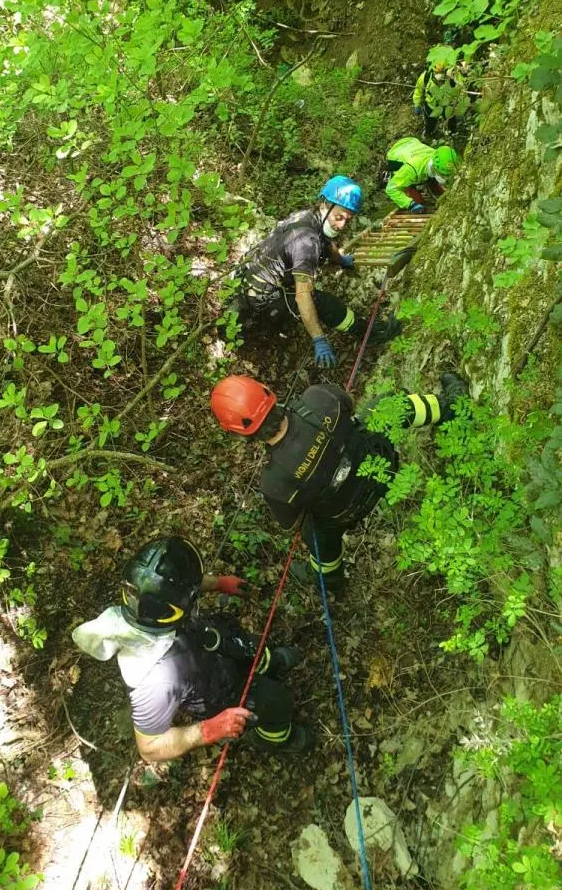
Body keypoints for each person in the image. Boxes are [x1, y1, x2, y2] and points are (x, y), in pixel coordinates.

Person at [210, 372, 468, 593]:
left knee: (315, 535)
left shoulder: (274, 482)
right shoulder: (318, 398)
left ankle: (331, 582)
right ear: (267, 393)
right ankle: (450, 406)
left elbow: (291, 522)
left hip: (346, 513)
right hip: (381, 466)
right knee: (386, 406)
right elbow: (350, 405)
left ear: (240, 433)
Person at [72, 536, 312, 760]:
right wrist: (208, 730)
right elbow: (149, 748)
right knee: (278, 701)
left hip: (210, 646)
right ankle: (276, 738)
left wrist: (218, 583)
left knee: (253, 647)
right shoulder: (156, 680)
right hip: (217, 689)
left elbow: (179, 586)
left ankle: (272, 662)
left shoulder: (150, 599)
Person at [230, 175, 399, 368]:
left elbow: (326, 242)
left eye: (348, 220)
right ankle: (370, 334)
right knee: (325, 303)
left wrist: (341, 260)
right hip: (262, 298)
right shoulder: (306, 243)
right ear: (326, 205)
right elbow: (303, 296)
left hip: (246, 279)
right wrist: (319, 339)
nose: (342, 225)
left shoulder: (306, 216)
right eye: (339, 217)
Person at [384, 137, 461, 211]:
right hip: (396, 154)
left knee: (438, 191)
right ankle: (392, 176)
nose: (445, 177)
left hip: (412, 143)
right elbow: (391, 189)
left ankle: (428, 182)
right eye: (443, 175)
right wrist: (410, 204)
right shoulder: (411, 169)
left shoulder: (437, 156)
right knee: (419, 202)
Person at [412, 60, 468, 134]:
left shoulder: (453, 76)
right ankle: (429, 133)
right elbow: (418, 91)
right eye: (436, 73)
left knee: (451, 123)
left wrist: (461, 104)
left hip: (448, 106)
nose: (439, 75)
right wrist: (417, 104)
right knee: (430, 124)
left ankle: (452, 133)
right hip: (431, 106)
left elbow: (462, 89)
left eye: (441, 72)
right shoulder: (425, 77)